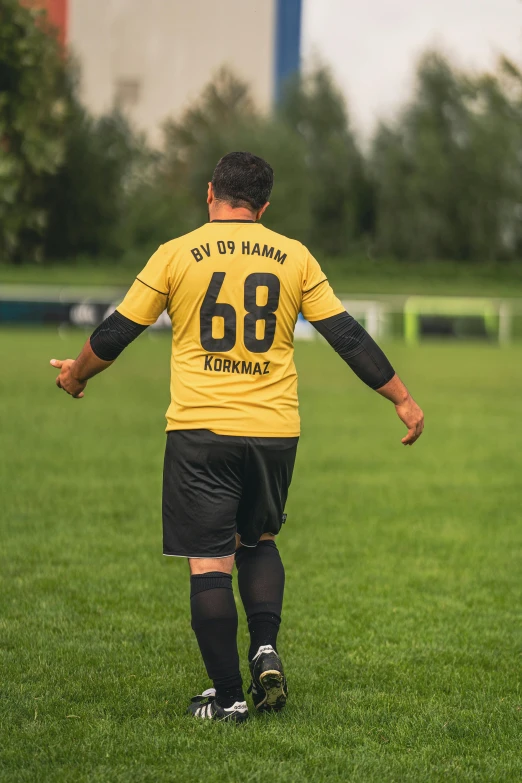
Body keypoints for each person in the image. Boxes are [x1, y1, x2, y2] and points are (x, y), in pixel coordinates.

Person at [50, 151, 424, 723]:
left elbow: (119, 329)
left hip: (201, 429)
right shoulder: (293, 256)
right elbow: (346, 335)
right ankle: (266, 646)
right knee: (260, 540)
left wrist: (75, 374)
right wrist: (400, 396)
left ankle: (227, 700)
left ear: (210, 193)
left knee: (209, 562)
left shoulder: (176, 252)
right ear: (264, 205)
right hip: (275, 431)